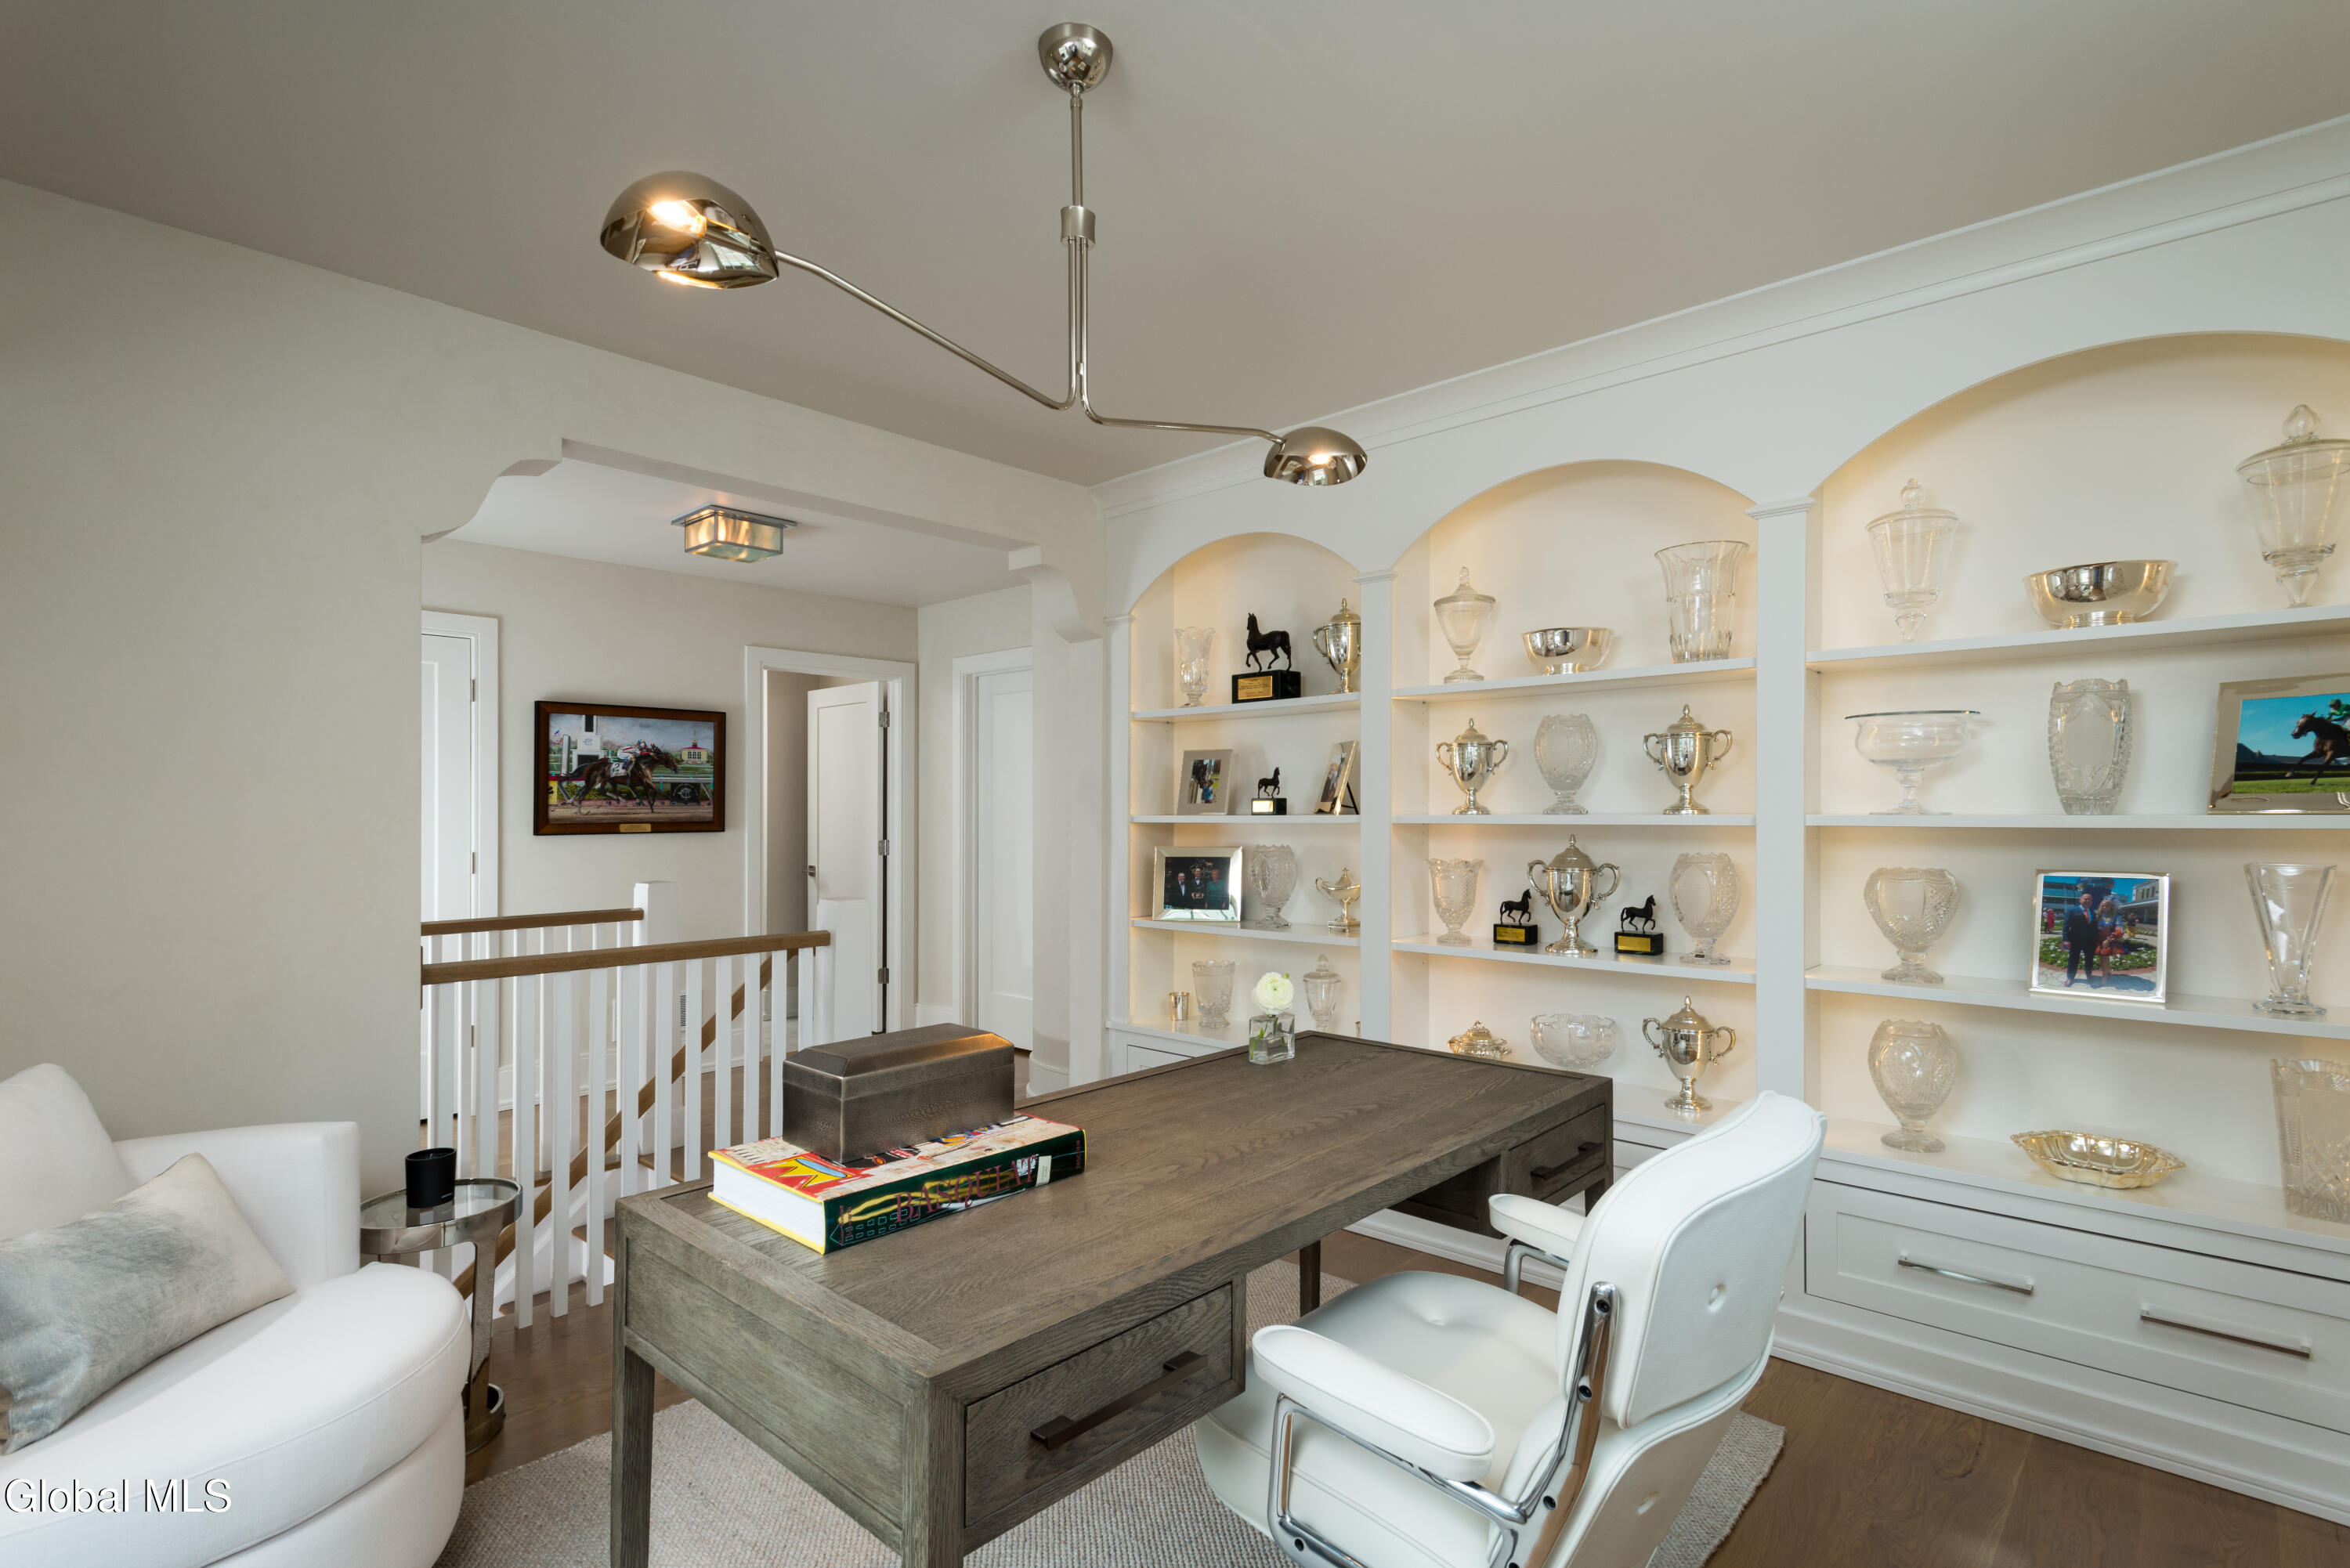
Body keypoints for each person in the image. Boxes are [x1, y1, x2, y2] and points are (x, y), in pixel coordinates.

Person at [2062, 889, 2101, 986]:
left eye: (2090, 900)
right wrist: (2065, 940)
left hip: (2090, 942)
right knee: (2073, 959)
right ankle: (2070, 977)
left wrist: (2097, 941)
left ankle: (2089, 976)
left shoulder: (2093, 913)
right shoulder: (2072, 911)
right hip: (2075, 941)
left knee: (2089, 960)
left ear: (2092, 902)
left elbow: (2094, 928)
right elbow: (2066, 926)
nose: (2088, 901)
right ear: (2080, 900)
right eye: (2085, 899)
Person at [2095, 895, 2126, 985]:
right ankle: (2107, 971)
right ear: (2100, 906)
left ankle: (2105, 975)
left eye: (2107, 906)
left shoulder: (2115, 917)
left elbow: (2120, 930)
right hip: (2098, 941)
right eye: (2103, 905)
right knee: (2103, 957)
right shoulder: (2097, 916)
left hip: (2108, 941)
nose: (2105, 907)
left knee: (2105, 957)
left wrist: (2109, 939)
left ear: (2111, 907)